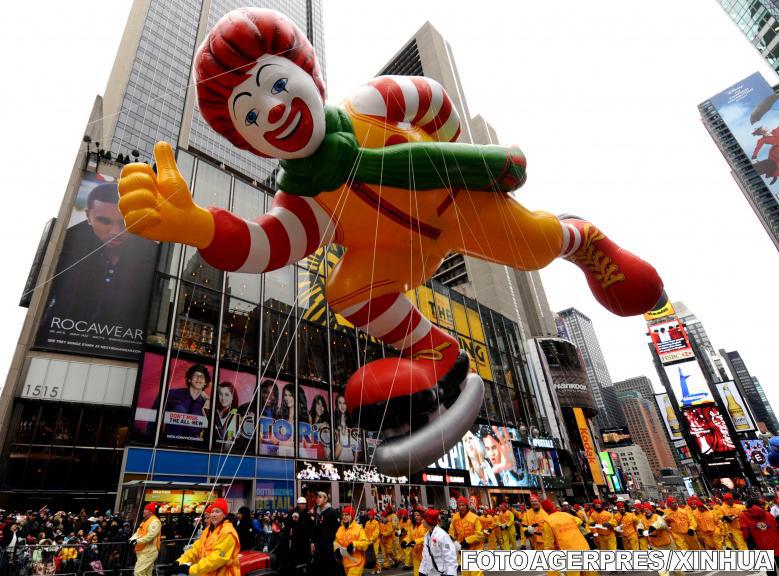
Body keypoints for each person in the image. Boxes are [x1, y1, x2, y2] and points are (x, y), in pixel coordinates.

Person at [118, 8, 662, 468]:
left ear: (307, 71)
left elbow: (432, 98)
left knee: (535, 248)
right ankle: (437, 354)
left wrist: (459, 163)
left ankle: (582, 238)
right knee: (345, 290)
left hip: (458, 205)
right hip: (400, 255)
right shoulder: (303, 197)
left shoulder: (369, 105)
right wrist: (200, 225)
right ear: (250, 140)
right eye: (252, 114)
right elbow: (267, 244)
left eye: (277, 84)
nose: (275, 111)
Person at [36, 180, 158, 354]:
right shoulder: (68, 242)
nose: (116, 232)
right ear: (88, 216)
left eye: (124, 223)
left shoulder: (152, 252)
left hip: (126, 352)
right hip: (56, 345)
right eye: (104, 221)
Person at [173, 498, 240, 576]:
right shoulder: (208, 530)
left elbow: (216, 559)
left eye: (217, 511)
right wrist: (179, 561)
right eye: (212, 512)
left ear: (224, 514)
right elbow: (196, 549)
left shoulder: (228, 533)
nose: (214, 514)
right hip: (207, 572)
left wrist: (190, 569)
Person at [539, 499, 596, 576]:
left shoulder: (548, 522)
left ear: (544, 510)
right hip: (584, 547)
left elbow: (549, 546)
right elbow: (579, 521)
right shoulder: (567, 515)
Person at [164, 363, 211, 442]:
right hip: (169, 443)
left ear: (205, 383)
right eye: (196, 376)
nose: (199, 379)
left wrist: (208, 400)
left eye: (202, 377)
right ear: (189, 379)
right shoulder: (172, 394)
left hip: (193, 446)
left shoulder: (206, 403)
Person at [740, 498, 779, 576]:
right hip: (776, 543)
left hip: (761, 546)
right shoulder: (767, 514)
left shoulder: (744, 516)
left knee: (770, 569)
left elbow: (746, 533)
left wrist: (751, 547)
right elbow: (776, 526)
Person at [448, 497, 483, 576]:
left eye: (463, 505)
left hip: (476, 549)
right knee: (466, 573)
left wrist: (467, 540)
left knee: (476, 573)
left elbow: (480, 535)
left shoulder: (475, 518)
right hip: (463, 550)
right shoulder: (455, 517)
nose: (461, 507)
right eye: (459, 505)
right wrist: (451, 537)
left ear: (467, 506)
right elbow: (452, 530)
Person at [419, 508, 457, 576]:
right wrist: (422, 570)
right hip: (431, 573)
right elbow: (425, 555)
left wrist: (451, 573)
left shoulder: (442, 535)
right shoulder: (427, 536)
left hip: (443, 573)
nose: (422, 521)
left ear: (428, 521)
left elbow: (450, 555)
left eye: (423, 519)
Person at [334, 506, 369, 576]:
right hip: (345, 562)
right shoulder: (340, 529)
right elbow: (336, 542)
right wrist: (336, 550)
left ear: (352, 516)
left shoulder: (358, 528)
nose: (344, 516)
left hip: (357, 562)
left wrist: (354, 544)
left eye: (347, 514)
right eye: (343, 515)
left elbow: (365, 543)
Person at [311, 492, 340, 574]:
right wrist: (313, 542)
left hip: (329, 547)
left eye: (320, 497)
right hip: (319, 547)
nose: (317, 499)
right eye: (317, 497)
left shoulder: (332, 512)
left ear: (325, 499)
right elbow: (315, 529)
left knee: (330, 569)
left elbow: (338, 528)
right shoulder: (318, 513)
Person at [130, 503, 161, 576]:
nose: (143, 511)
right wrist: (131, 539)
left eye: (145, 509)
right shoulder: (145, 521)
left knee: (138, 572)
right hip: (144, 551)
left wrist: (136, 541)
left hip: (149, 551)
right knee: (146, 573)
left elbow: (150, 536)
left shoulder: (155, 522)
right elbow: (138, 532)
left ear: (151, 512)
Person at [402, 508, 428, 576]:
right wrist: (404, 541)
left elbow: (427, 537)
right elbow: (409, 536)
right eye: (414, 515)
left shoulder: (426, 525)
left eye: (418, 515)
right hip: (416, 553)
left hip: (425, 554)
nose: (416, 517)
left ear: (422, 516)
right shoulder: (413, 526)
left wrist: (416, 541)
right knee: (416, 573)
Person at [363, 510, 380, 575]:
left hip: (374, 542)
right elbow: (364, 531)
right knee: (370, 556)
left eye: (371, 515)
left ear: (373, 515)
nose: (369, 516)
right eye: (369, 515)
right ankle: (375, 568)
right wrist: (365, 539)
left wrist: (371, 539)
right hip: (368, 542)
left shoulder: (376, 523)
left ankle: (377, 568)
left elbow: (376, 532)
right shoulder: (367, 522)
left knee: (375, 555)